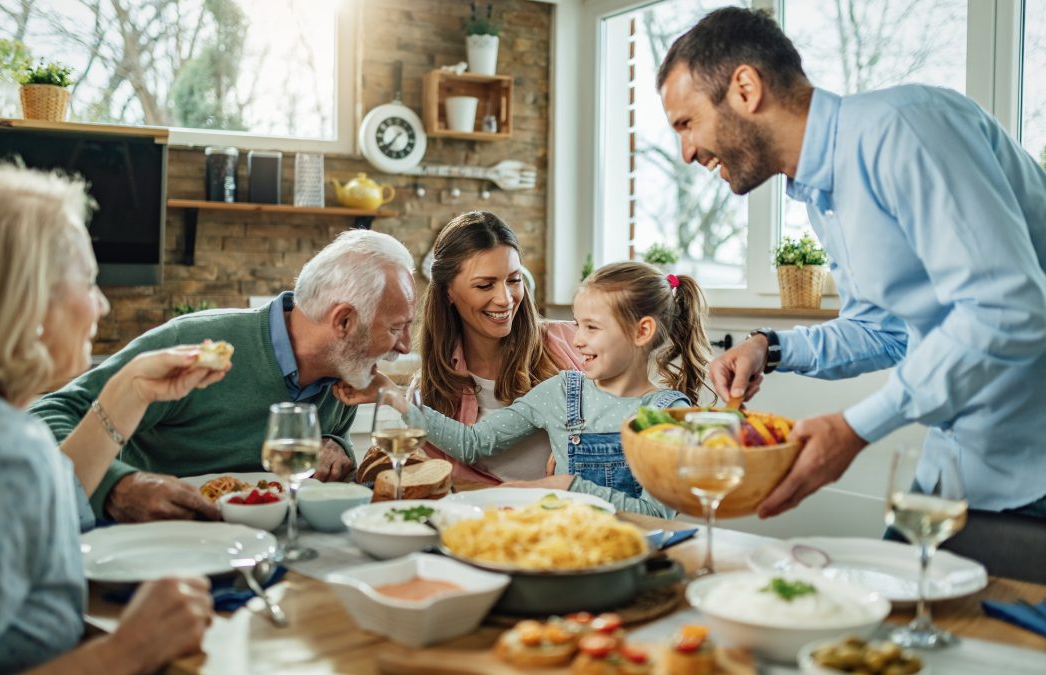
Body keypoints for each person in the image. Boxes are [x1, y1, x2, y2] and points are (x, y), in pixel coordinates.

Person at [658, 7, 1046, 518]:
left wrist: (856, 428)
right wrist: (769, 347)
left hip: (1032, 472)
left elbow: (1008, 309)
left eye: (687, 123)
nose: (686, 152)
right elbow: (886, 332)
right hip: (958, 468)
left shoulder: (906, 128)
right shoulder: (823, 193)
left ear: (746, 89)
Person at [0, 165, 217, 674]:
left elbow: (47, 506)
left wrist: (131, 390)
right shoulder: (0, 453)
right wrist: (129, 650)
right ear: (29, 300)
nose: (101, 303)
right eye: (89, 280)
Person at [31, 229, 416, 523]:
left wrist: (337, 449)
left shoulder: (347, 373)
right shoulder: (194, 343)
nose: (405, 345)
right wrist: (116, 486)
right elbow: (46, 417)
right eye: (397, 327)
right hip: (153, 544)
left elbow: (329, 454)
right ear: (344, 321)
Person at [344, 262, 711, 516]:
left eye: (592, 328)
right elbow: (473, 444)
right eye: (578, 325)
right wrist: (394, 397)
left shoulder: (666, 413)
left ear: (642, 331)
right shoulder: (561, 391)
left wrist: (566, 486)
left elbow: (656, 513)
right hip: (556, 545)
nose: (578, 340)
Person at [419, 211, 583, 484]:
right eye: (485, 285)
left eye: (514, 280)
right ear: (448, 291)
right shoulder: (430, 391)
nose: (505, 299)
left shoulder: (574, 343)